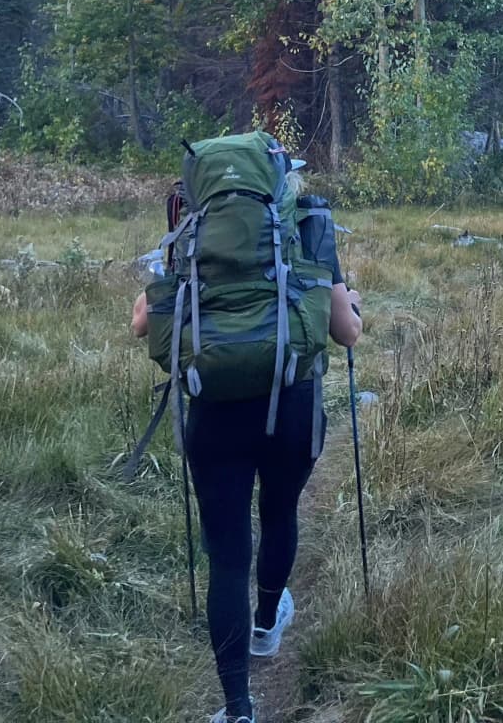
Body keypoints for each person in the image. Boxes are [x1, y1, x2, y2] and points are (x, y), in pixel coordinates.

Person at [132, 242, 363, 723]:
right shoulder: (307, 220)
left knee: (228, 554)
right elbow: (346, 333)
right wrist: (353, 306)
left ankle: (238, 708)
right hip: (293, 404)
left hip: (215, 412)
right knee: (279, 514)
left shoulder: (197, 226)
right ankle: (266, 624)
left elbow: (141, 323)